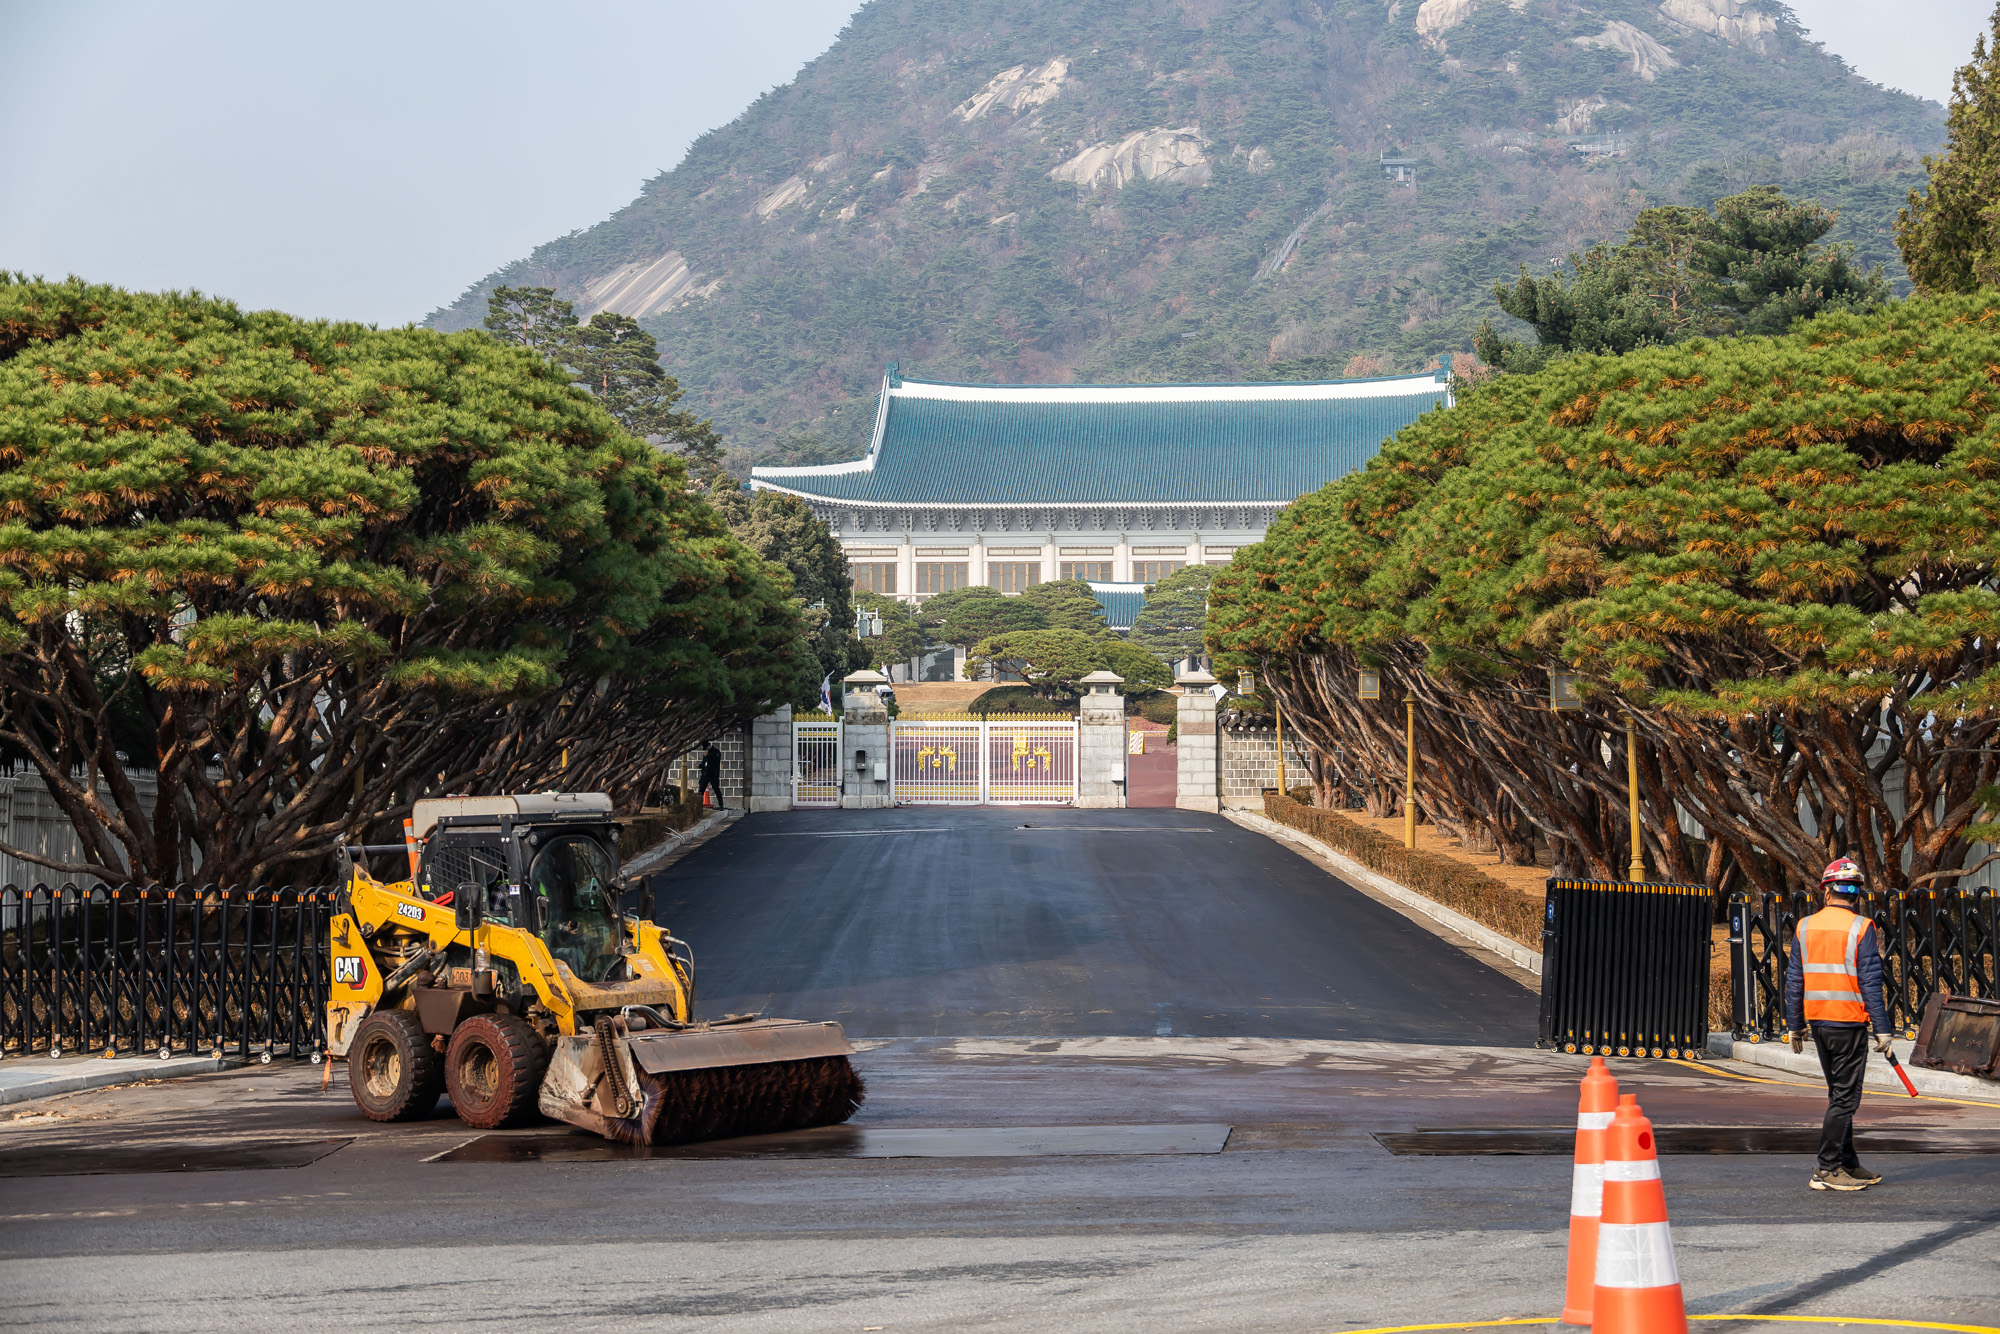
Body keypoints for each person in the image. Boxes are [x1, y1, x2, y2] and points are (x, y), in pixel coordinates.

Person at [1783, 856, 1895, 1191]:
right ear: (1856, 895)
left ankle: (1847, 1162)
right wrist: (1884, 1029)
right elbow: (1871, 983)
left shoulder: (1804, 927)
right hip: (1848, 1024)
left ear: (1825, 892)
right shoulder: (1862, 927)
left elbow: (1794, 982)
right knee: (1845, 1099)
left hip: (1819, 1025)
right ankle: (1826, 1169)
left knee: (1838, 1095)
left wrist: (1794, 1025)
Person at [697, 741, 725, 810]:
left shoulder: (715, 752)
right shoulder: (707, 754)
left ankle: (721, 805)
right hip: (705, 774)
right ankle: (697, 806)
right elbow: (705, 763)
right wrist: (700, 765)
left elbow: (714, 762)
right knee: (701, 790)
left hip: (713, 774)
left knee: (716, 789)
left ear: (709, 746)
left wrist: (708, 756)